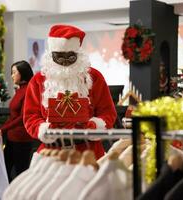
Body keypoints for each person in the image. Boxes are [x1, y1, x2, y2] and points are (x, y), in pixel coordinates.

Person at [23, 24, 117, 159]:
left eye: (71, 56)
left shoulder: (94, 77)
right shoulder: (38, 80)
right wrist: (44, 129)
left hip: (89, 153)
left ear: (78, 54)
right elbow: (30, 117)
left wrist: (94, 126)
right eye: (59, 56)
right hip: (51, 153)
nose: (65, 61)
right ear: (51, 55)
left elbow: (108, 113)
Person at [0, 60, 36, 181]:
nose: (12, 75)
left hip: (21, 140)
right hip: (12, 139)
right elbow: (13, 116)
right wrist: (0, 130)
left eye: (14, 72)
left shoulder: (28, 90)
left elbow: (22, 118)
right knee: (5, 173)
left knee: (20, 175)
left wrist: (1, 130)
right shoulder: (20, 90)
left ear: (22, 73)